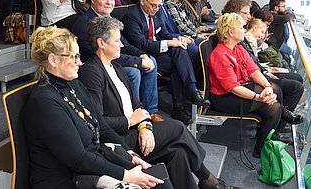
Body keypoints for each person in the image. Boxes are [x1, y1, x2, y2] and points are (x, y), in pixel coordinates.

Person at [79, 16, 239, 189]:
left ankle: (205, 183)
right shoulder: (91, 72)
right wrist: (132, 121)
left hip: (135, 131)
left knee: (179, 153)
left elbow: (137, 105)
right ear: (101, 43)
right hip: (119, 141)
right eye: (117, 41)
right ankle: (208, 179)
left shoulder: (116, 67)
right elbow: (97, 122)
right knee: (177, 128)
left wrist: (144, 127)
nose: (122, 45)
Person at [24, 26, 164, 189]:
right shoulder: (44, 101)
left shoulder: (73, 84)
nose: (80, 62)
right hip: (67, 180)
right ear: (53, 60)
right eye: (73, 57)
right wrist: (127, 175)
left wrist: (130, 155)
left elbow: (103, 129)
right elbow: (78, 159)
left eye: (79, 56)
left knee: (158, 180)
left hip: (90, 168)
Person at [207, 13, 304, 157]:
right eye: (241, 28)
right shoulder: (219, 55)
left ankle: (270, 132)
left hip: (241, 86)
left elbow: (253, 70)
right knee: (273, 107)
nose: (245, 31)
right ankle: (261, 147)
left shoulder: (238, 48)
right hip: (224, 98)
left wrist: (268, 87)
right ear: (230, 32)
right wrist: (259, 97)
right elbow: (232, 87)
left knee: (274, 89)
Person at [72, 0, 161, 122]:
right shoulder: (85, 24)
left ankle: (150, 110)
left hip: (111, 62)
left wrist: (141, 55)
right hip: (96, 68)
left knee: (151, 60)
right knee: (134, 72)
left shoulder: (110, 20)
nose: (109, 3)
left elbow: (124, 45)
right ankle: (131, 114)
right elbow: (105, 56)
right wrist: (139, 62)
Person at [122, 0, 210, 124]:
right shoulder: (132, 16)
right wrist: (170, 42)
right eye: (153, 5)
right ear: (143, 1)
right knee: (178, 59)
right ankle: (186, 98)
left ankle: (186, 99)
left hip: (158, 51)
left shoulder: (156, 14)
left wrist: (178, 40)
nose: (156, 8)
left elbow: (164, 33)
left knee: (179, 51)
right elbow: (141, 44)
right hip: (143, 53)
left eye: (159, 5)